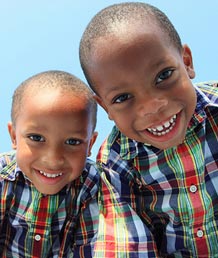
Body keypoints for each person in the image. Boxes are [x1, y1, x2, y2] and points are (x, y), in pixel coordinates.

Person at [79, 2, 218, 257]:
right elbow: (125, 242)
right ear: (105, 107)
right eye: (122, 98)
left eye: (163, 75)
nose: (151, 107)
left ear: (186, 62)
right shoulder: (115, 161)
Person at [0, 70, 99, 257]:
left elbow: (93, 250)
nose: (53, 159)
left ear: (90, 144)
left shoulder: (93, 187)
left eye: (72, 142)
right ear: (14, 136)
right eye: (36, 138)